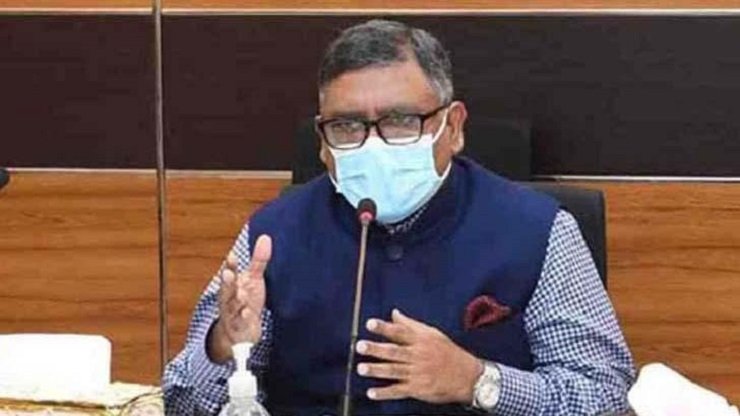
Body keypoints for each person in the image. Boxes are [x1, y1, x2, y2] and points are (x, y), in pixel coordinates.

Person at [163, 19, 635, 416]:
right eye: (347, 126)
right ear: (323, 144)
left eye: (401, 121)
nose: (373, 145)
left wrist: (477, 380)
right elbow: (182, 400)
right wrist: (223, 346)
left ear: (453, 127)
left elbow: (605, 397)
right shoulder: (273, 235)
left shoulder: (538, 230)